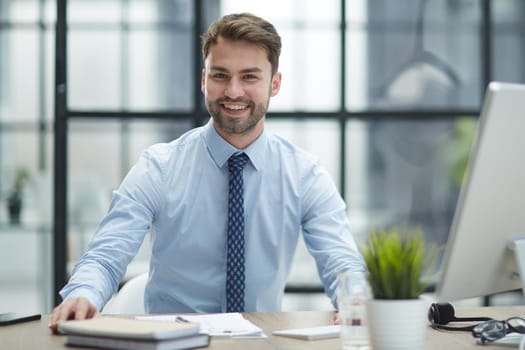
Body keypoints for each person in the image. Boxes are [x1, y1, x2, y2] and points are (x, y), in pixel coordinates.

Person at [49, 12, 364, 331]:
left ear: (275, 83)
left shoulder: (304, 175)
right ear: (204, 80)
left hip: (260, 341)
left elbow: (342, 262)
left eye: (250, 77)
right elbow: (106, 254)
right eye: (220, 75)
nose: (233, 91)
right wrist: (84, 293)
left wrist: (356, 299)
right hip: (173, 341)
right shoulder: (159, 168)